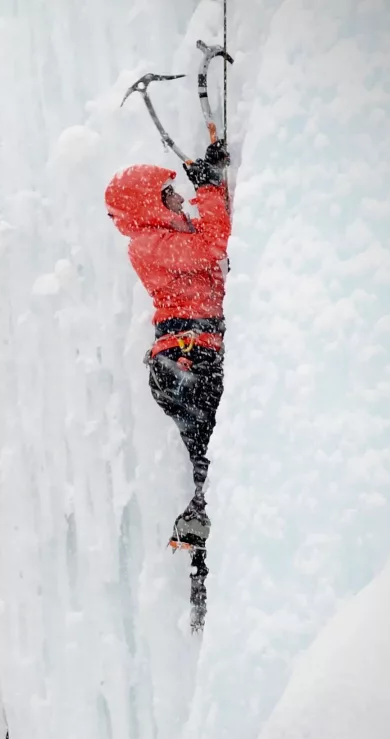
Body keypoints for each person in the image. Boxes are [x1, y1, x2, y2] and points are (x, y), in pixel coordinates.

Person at [104, 141, 231, 553]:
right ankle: (201, 523)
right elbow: (215, 247)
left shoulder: (168, 234)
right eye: (167, 194)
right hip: (185, 361)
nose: (178, 198)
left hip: (190, 358)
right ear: (146, 207)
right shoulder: (149, 244)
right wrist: (209, 190)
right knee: (212, 444)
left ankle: (198, 524)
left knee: (211, 444)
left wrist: (209, 186)